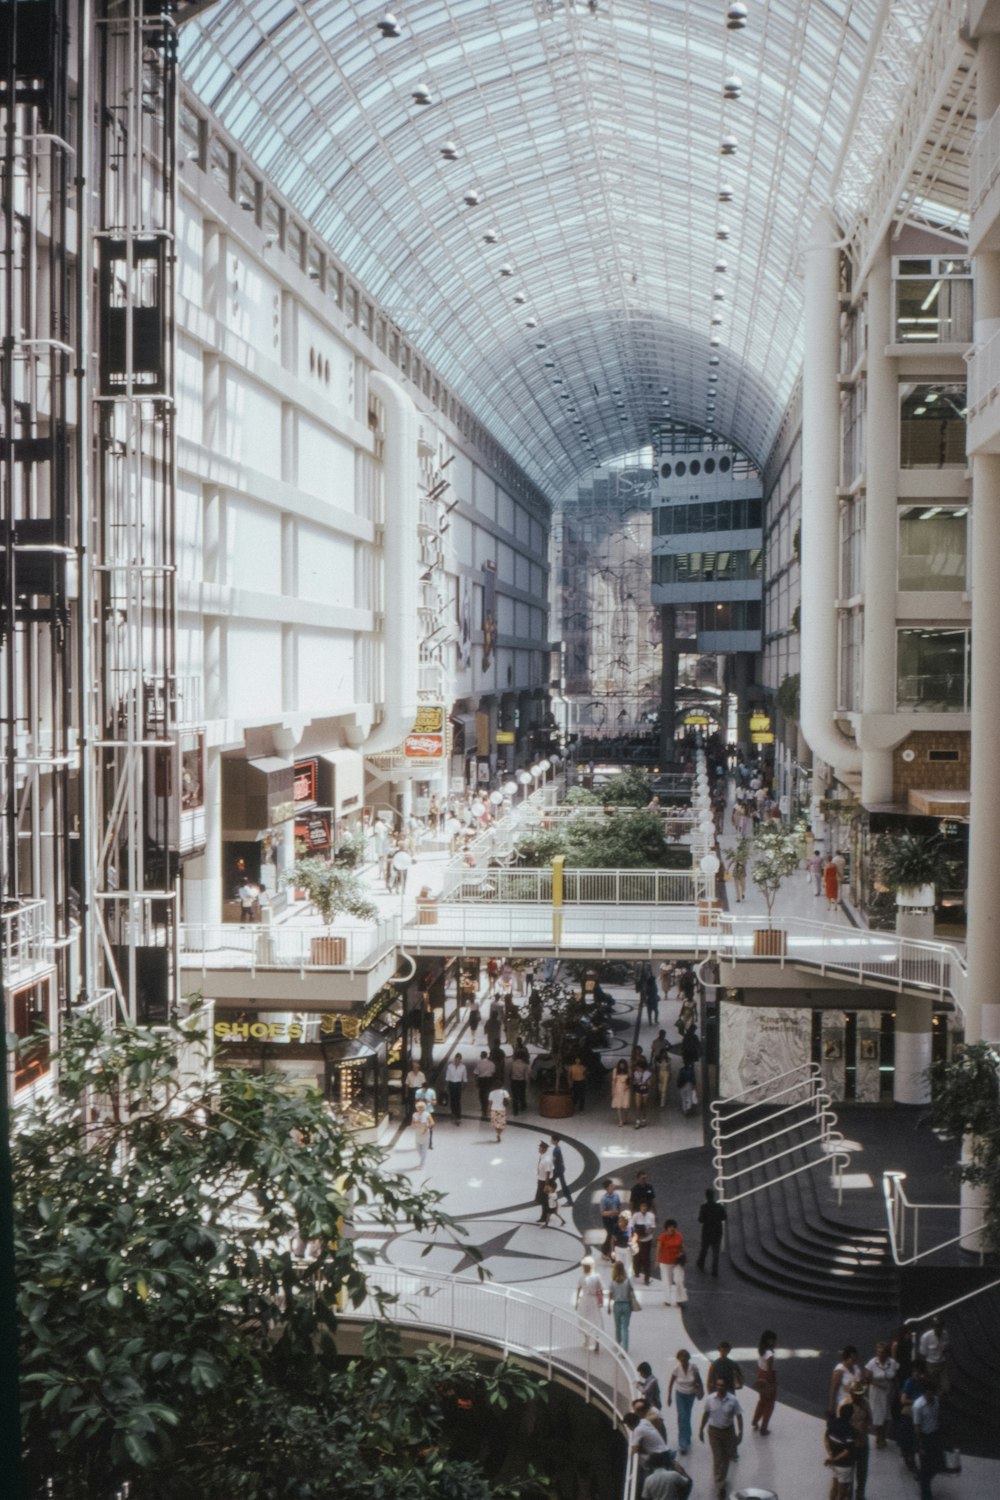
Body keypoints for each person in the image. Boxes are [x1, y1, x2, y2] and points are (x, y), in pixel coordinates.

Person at [699, 1375, 743, 1498]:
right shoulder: (710, 1399)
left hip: (728, 1431)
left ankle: (721, 1478)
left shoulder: (732, 1400)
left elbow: (739, 1416)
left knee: (726, 1457)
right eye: (718, 1385)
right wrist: (701, 1429)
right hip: (714, 1432)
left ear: (726, 1387)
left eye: (722, 1385)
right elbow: (706, 1414)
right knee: (718, 1457)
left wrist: (740, 1433)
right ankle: (720, 1485)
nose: (719, 1387)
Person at [912, 1377, 946, 1500]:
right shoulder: (918, 1406)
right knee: (926, 1467)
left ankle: (921, 1476)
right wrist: (920, 1445)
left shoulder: (936, 1401)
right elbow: (917, 1426)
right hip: (924, 1437)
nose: (930, 1396)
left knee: (939, 1465)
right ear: (924, 1393)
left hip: (935, 1436)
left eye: (932, 1393)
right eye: (928, 1393)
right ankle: (926, 1495)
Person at [667, 1348, 703, 1455]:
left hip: (690, 1394)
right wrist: (669, 1396)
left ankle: (687, 1434)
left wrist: (701, 1390)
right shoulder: (676, 1369)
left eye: (685, 1358)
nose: (683, 1360)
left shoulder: (693, 1367)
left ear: (688, 1358)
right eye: (681, 1358)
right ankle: (683, 1442)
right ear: (678, 1359)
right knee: (682, 1416)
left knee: (687, 1415)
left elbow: (698, 1379)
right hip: (680, 1394)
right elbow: (671, 1383)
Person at [864, 1340, 899, 1448]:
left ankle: (883, 1435)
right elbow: (867, 1379)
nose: (880, 1354)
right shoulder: (872, 1363)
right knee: (878, 1415)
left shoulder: (892, 1363)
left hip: (888, 1393)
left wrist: (898, 1389)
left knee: (886, 1415)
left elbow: (895, 1377)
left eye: (882, 1352)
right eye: (878, 1352)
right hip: (876, 1393)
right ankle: (879, 1438)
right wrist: (879, 1384)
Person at [824, 1400, 856, 1500]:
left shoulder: (832, 1424)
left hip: (834, 1463)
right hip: (844, 1465)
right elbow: (847, 1451)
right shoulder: (850, 1431)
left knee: (834, 1486)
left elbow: (826, 1438)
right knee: (842, 1493)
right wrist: (834, 1459)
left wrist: (831, 1456)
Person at [574, 1255, 604, 1352]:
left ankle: (587, 1340)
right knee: (595, 1320)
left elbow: (578, 1289)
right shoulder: (596, 1276)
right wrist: (601, 1300)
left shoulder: (581, 1277)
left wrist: (577, 1301)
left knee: (584, 1319)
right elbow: (600, 1289)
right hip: (594, 1299)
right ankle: (597, 1342)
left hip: (585, 1299)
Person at [608, 1257, 639, 1351]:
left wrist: (609, 1306)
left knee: (617, 1326)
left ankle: (618, 1343)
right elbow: (632, 1291)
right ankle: (625, 1348)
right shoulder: (627, 1281)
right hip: (627, 1305)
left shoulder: (613, 1282)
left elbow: (610, 1295)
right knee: (625, 1327)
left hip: (617, 1305)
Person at [656, 1219, 687, 1306]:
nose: (672, 1229)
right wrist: (657, 1260)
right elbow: (658, 1248)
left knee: (679, 1280)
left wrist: (683, 1254)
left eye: (673, 1227)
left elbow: (681, 1246)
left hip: (677, 1261)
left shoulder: (678, 1235)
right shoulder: (662, 1237)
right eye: (670, 1227)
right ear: (666, 1228)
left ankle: (680, 1299)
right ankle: (667, 1299)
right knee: (666, 1281)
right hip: (665, 1262)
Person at [751, 1330, 777, 1436]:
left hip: (760, 1375)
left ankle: (755, 1421)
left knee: (762, 1401)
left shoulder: (761, 1351)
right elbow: (770, 1370)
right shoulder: (769, 1354)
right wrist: (772, 1384)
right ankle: (764, 1428)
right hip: (768, 1377)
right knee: (770, 1403)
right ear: (770, 1340)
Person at [696, 1188, 727, 1275]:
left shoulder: (704, 1207)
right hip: (717, 1231)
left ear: (706, 1196)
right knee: (715, 1251)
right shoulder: (719, 1207)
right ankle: (714, 1269)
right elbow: (724, 1217)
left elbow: (700, 1220)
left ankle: (701, 1262)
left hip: (707, 1231)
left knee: (704, 1248)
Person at [827, 1346, 863, 1415]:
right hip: (843, 1403)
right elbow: (833, 1390)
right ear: (846, 1358)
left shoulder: (856, 1368)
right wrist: (831, 1407)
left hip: (856, 1403)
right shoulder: (839, 1370)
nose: (855, 1360)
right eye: (852, 1358)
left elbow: (861, 1382)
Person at [918, 1317, 950, 1394]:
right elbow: (923, 1353)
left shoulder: (945, 1334)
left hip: (942, 1363)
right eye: (936, 1326)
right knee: (934, 1387)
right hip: (931, 1364)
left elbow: (946, 1348)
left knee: (945, 1387)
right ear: (933, 1327)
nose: (938, 1328)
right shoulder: (926, 1337)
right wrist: (924, 1370)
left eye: (940, 1326)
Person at [630, 1201, 657, 1287]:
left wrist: (646, 1233)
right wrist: (636, 1234)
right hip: (638, 1240)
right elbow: (631, 1226)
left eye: (645, 1206)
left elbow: (652, 1227)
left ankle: (647, 1277)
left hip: (647, 1240)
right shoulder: (635, 1215)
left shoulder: (651, 1216)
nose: (644, 1208)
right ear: (640, 1207)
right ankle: (636, 1271)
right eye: (642, 1206)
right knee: (636, 1256)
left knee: (646, 1259)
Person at [599, 1178, 622, 1259]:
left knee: (615, 1234)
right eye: (611, 1185)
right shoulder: (604, 1199)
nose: (613, 1186)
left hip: (616, 1218)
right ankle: (604, 1251)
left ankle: (611, 1251)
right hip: (608, 1220)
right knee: (610, 1235)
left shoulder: (616, 1195)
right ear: (607, 1188)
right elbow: (602, 1212)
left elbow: (619, 1205)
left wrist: (619, 1213)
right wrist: (613, 1212)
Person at [549, 1134, 572, 1205]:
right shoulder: (558, 1148)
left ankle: (568, 1200)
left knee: (551, 1181)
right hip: (560, 1168)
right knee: (561, 1184)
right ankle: (569, 1200)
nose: (551, 1141)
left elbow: (553, 1160)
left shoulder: (556, 1150)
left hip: (557, 1169)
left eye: (552, 1140)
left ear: (555, 1141)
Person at [445, 1052, 467, 1124]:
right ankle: (453, 1112)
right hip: (451, 1084)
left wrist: (464, 1084)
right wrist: (446, 1085)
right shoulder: (450, 1066)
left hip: (458, 1084)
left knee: (457, 1100)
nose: (457, 1061)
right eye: (456, 1059)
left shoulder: (463, 1067)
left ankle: (458, 1116)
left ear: (460, 1060)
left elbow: (464, 1077)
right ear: (454, 1059)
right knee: (452, 1099)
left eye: (458, 1060)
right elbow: (447, 1076)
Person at [534, 1140, 554, 1221]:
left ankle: (544, 1216)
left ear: (544, 1149)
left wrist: (546, 1184)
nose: (539, 1149)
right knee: (541, 1199)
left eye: (540, 1148)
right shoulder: (543, 1157)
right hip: (541, 1180)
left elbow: (548, 1172)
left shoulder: (546, 1160)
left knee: (543, 1200)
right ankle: (547, 1213)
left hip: (544, 1182)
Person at [473, 1050, 496, 1120]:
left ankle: (484, 1109)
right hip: (489, 1080)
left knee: (482, 1095)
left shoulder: (479, 1064)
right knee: (488, 1094)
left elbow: (475, 1073)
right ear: (487, 1056)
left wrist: (476, 1082)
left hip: (482, 1081)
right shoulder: (492, 1063)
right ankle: (488, 1107)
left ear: (481, 1056)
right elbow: (494, 1072)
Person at [632, 1055, 652, 1130]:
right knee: (638, 1106)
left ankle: (644, 1119)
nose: (637, 1068)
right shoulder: (635, 1073)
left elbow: (650, 1084)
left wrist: (645, 1083)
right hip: (638, 1090)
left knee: (644, 1105)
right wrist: (636, 1081)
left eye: (638, 1067)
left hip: (645, 1091)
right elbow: (633, 1082)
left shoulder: (648, 1073)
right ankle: (637, 1121)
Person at [415, 1082, 437, 1150]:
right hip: (421, 1112)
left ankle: (430, 1144)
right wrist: (421, 1101)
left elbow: (435, 1102)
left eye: (426, 1089)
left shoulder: (431, 1092)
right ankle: (421, 1143)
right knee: (421, 1129)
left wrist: (429, 1100)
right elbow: (416, 1102)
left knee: (430, 1128)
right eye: (423, 1089)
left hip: (429, 1111)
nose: (424, 1090)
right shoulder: (418, 1092)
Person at [411, 1098, 432, 1168]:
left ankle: (422, 1164)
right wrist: (414, 1125)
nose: (420, 1109)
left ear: (424, 1108)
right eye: (418, 1107)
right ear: (416, 1108)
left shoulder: (427, 1114)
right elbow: (412, 1124)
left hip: (425, 1133)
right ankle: (423, 1159)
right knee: (418, 1148)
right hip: (418, 1132)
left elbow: (432, 1122)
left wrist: (427, 1127)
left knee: (424, 1148)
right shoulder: (415, 1115)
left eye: (422, 1107)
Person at [509, 1046, 530, 1114]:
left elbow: (510, 1072)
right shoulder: (525, 1064)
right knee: (522, 1095)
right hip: (521, 1081)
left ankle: (515, 1110)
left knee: (515, 1096)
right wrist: (527, 1082)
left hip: (514, 1081)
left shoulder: (513, 1064)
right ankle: (523, 1106)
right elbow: (526, 1075)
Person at [611, 1058, 632, 1126]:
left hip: (626, 1089)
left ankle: (625, 1118)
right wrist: (613, 1090)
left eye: (623, 1065)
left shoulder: (628, 1070)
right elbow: (613, 1081)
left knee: (626, 1105)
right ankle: (620, 1120)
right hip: (618, 1089)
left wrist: (628, 1085)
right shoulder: (615, 1070)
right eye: (621, 1065)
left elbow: (630, 1079)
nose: (622, 1066)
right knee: (618, 1105)